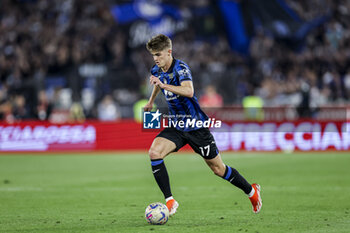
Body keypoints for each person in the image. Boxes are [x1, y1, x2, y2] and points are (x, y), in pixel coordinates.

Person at [143, 34, 262, 216]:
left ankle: (252, 192)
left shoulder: (181, 68)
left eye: (158, 55)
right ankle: (170, 200)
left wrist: (164, 85)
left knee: (218, 169)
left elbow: (189, 91)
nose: (155, 59)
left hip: (195, 125)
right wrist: (151, 101)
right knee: (154, 152)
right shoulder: (157, 69)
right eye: (153, 55)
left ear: (169, 52)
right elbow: (157, 83)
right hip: (176, 124)